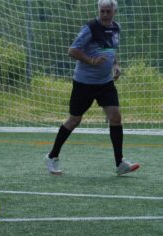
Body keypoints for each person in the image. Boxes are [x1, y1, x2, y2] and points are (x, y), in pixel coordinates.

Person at [45, 0, 140, 176]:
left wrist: (115, 65)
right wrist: (91, 61)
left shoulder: (116, 28)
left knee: (115, 117)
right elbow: (72, 50)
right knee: (74, 120)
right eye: (102, 11)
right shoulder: (90, 28)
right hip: (84, 83)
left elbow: (112, 50)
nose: (104, 14)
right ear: (98, 11)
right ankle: (51, 157)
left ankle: (120, 163)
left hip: (105, 83)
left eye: (108, 11)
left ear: (114, 12)